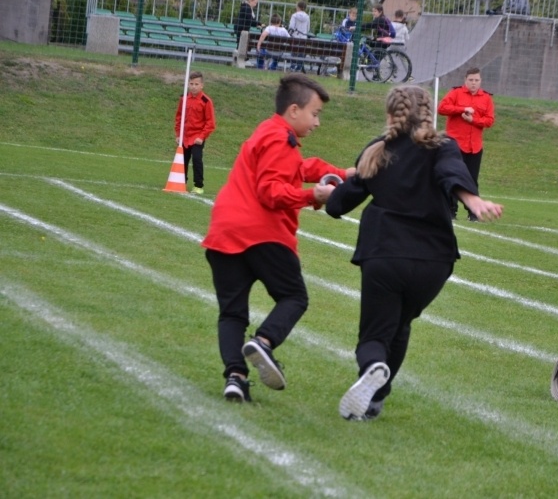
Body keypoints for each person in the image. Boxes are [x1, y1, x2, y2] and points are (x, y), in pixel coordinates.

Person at [326, 85, 504, 421]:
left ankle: (373, 370)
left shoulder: (377, 151)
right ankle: (375, 401)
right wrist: (472, 200)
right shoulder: (443, 146)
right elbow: (451, 173)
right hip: (433, 261)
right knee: (401, 324)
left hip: (385, 255)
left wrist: (328, 192)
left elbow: (338, 205)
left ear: (390, 115)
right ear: (428, 113)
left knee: (375, 335)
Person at [202, 74, 356, 402]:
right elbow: (271, 191)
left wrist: (344, 173)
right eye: (315, 114)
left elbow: (299, 167)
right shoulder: (280, 139)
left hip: (224, 233)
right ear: (294, 110)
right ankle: (265, 342)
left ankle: (235, 377)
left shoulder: (270, 132)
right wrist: (312, 196)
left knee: (232, 313)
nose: (318, 122)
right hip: (260, 233)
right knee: (294, 297)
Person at [437, 68, 495, 221]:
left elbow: (489, 120)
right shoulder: (456, 93)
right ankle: (450, 210)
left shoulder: (486, 98)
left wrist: (473, 120)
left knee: (471, 179)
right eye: (471, 80)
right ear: (465, 80)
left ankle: (473, 212)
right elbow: (442, 108)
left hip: (474, 146)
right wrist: (461, 109)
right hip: (456, 145)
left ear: (480, 81)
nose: (473, 83)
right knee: (452, 177)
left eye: (476, 80)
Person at [174, 71, 216, 195]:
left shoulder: (206, 101)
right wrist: (178, 134)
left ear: (202, 85)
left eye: (196, 84)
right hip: (185, 136)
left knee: (197, 159)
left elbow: (210, 123)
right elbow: (179, 117)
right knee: (183, 160)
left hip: (197, 136)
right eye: (191, 83)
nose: (193, 86)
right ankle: (181, 182)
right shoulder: (184, 98)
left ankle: (198, 185)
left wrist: (202, 137)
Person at [288, 0, 311, 71]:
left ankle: (292, 66)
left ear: (298, 7)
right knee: (301, 53)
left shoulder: (294, 15)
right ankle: (299, 67)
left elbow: (291, 27)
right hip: (303, 38)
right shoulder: (307, 17)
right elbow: (308, 28)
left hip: (295, 37)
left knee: (294, 52)